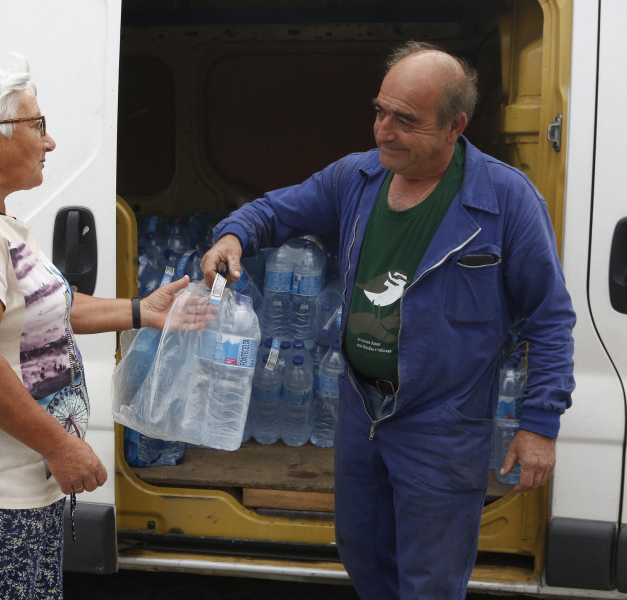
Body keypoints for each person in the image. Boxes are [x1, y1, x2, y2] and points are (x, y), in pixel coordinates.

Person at [200, 41, 575, 600]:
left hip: (442, 429)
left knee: (430, 583)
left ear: (454, 127)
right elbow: (274, 209)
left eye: (406, 120)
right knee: (365, 561)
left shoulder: (505, 200)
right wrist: (233, 235)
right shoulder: (357, 179)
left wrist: (539, 424)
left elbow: (550, 318)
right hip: (361, 416)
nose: (383, 131)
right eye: (380, 110)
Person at [0, 55, 191, 599]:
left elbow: (48, 307)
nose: (49, 142)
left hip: (14, 486)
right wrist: (60, 446)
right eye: (37, 126)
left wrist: (142, 310)